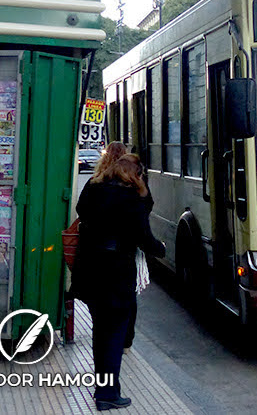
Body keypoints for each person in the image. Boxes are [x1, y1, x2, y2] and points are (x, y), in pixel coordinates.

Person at [72, 154, 165, 411]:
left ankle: (102, 388)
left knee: (100, 332)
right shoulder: (131, 198)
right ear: (135, 174)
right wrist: (162, 249)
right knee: (114, 334)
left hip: (90, 271)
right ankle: (108, 394)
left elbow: (81, 212)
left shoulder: (93, 187)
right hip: (115, 275)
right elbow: (145, 238)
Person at [89, 141, 152, 354]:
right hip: (122, 262)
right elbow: (143, 224)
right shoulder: (133, 193)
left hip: (96, 260)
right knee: (124, 307)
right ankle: (123, 344)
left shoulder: (95, 184)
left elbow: (82, 210)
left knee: (101, 319)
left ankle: (104, 363)